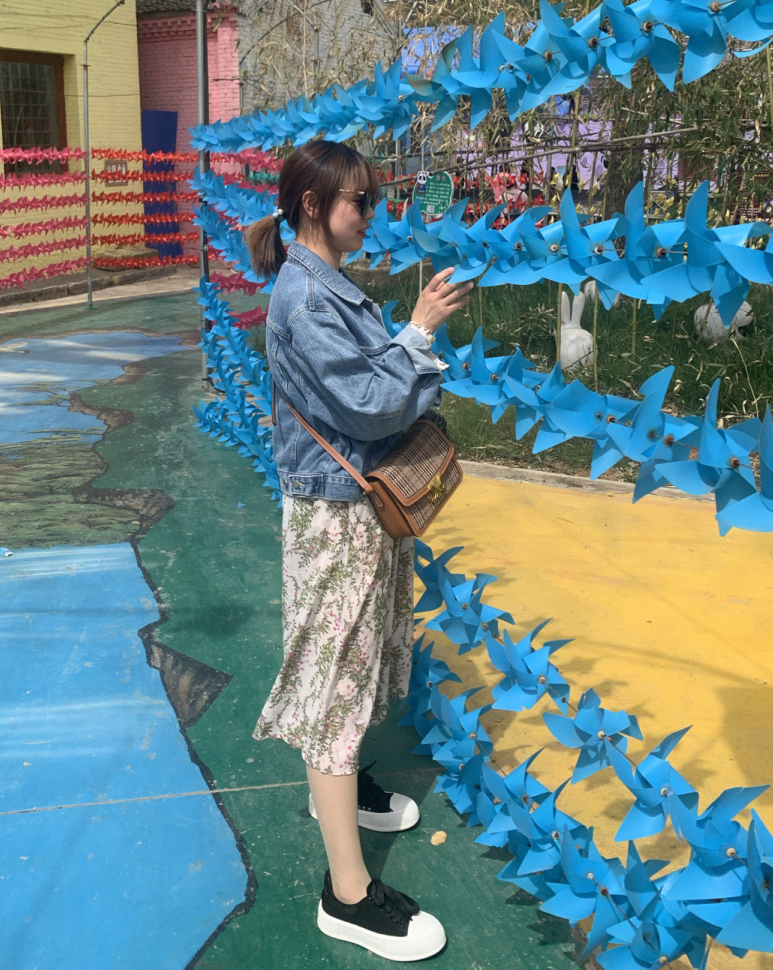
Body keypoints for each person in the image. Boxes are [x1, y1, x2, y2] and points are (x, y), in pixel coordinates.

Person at [246, 139, 468, 962]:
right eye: (360, 202)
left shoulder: (325, 285)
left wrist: (407, 333)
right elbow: (372, 404)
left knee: (361, 659)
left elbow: (367, 377)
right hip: (337, 515)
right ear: (314, 206)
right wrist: (418, 332)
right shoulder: (303, 299)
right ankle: (346, 895)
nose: (370, 213)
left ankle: (337, 790)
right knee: (335, 681)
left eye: (372, 200)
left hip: (357, 508)